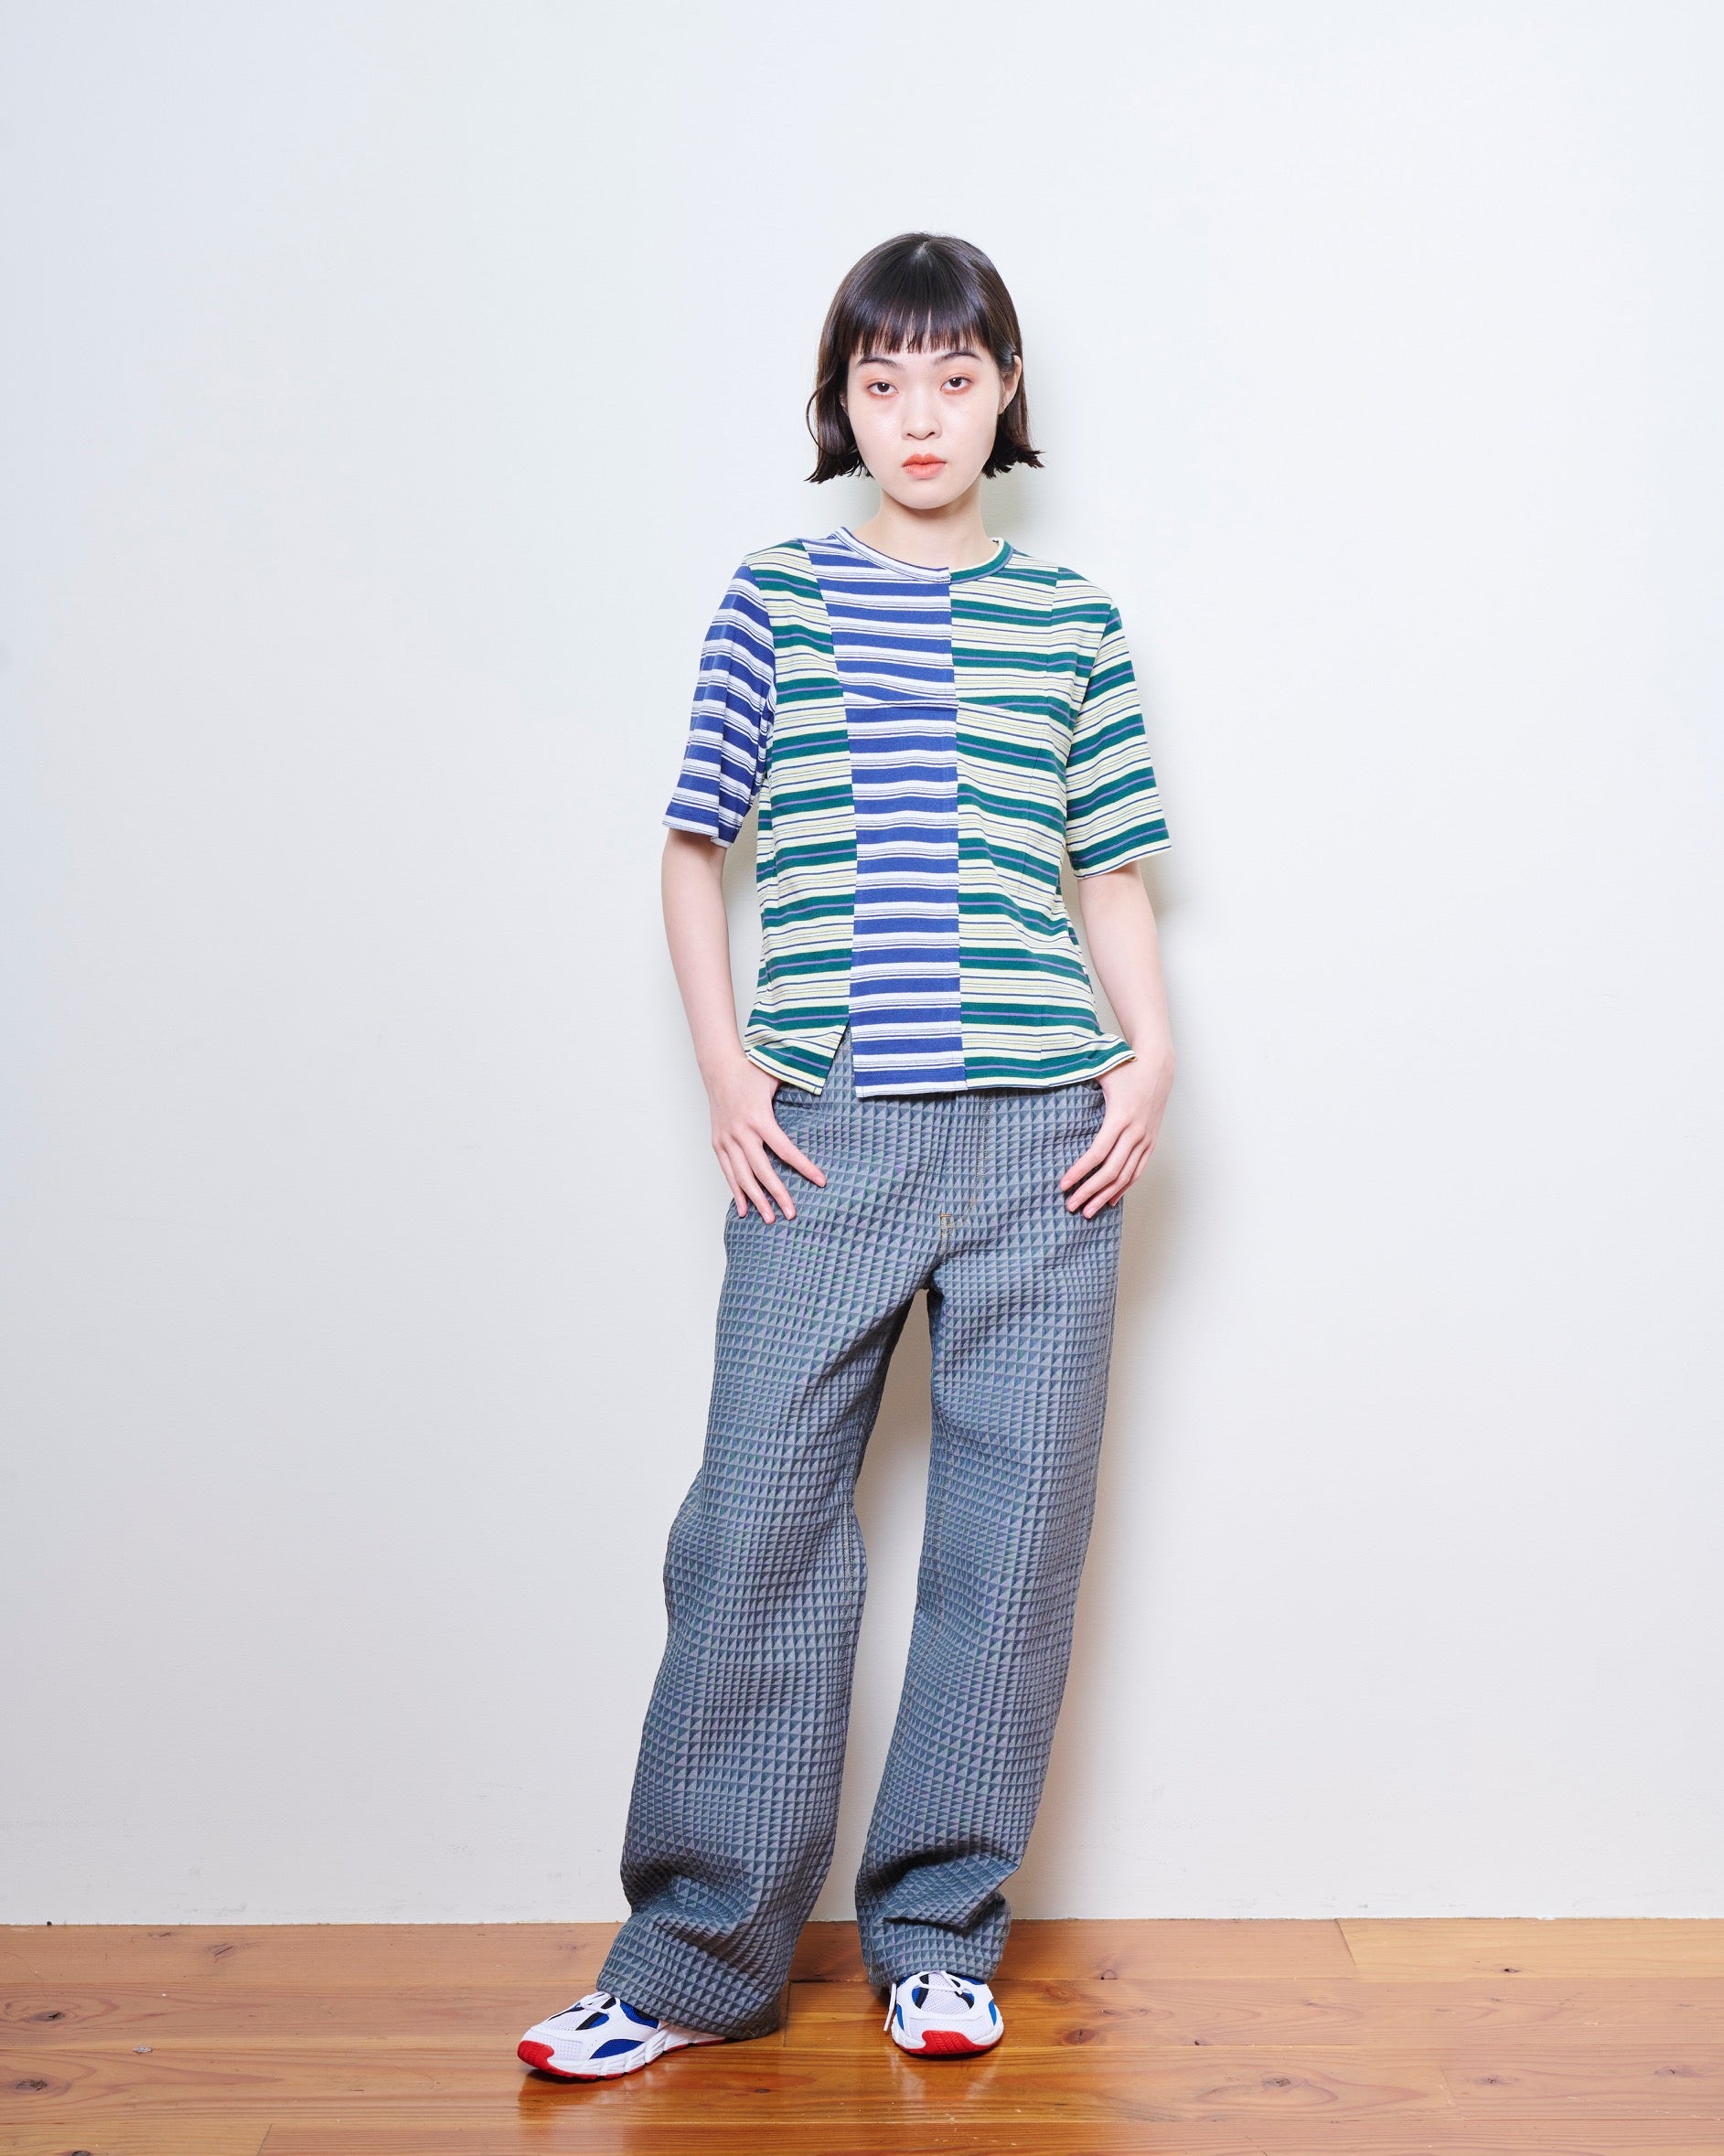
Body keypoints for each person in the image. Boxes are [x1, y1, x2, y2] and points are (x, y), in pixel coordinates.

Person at [519, 231, 1175, 2082]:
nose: (919, 415)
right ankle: (691, 1960)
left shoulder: (1075, 623)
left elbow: (1108, 866)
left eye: (953, 379)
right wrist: (728, 1073)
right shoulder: (776, 601)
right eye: (883, 383)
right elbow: (692, 846)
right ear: (841, 404)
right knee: (753, 1527)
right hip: (826, 1133)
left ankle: (938, 1939)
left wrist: (1151, 1056)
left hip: (1049, 1134)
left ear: (1004, 392)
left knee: (1010, 1543)